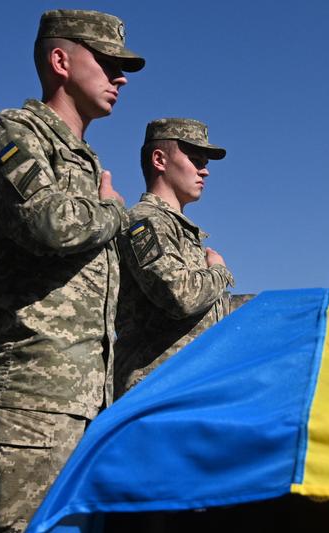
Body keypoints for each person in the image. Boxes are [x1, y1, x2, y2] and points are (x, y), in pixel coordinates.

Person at [0, 9, 144, 532]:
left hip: (83, 409)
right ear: (60, 60)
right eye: (108, 62)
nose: (121, 78)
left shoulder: (87, 161)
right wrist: (113, 209)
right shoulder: (10, 132)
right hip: (23, 407)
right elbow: (52, 226)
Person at [115, 119, 234, 396]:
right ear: (159, 160)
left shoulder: (176, 228)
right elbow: (181, 295)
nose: (204, 171)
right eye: (195, 160)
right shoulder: (146, 220)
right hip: (153, 387)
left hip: (183, 384)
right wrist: (218, 272)